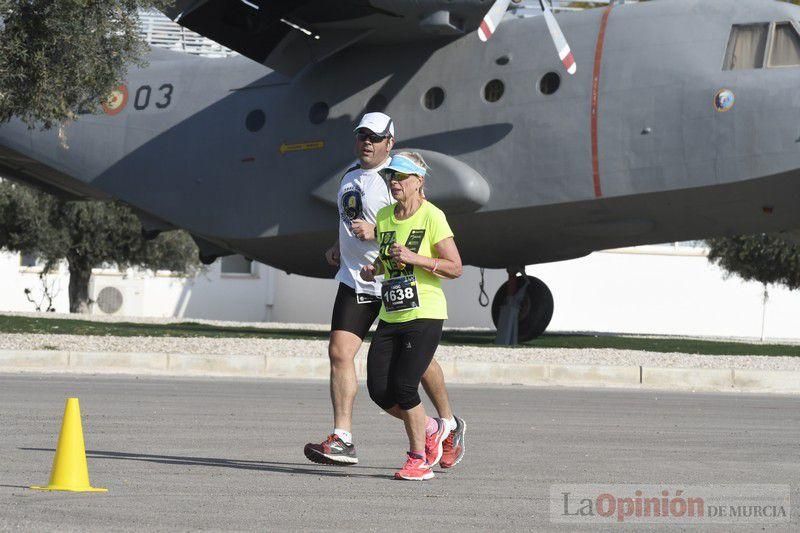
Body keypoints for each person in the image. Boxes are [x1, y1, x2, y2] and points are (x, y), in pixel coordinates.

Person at [304, 114, 466, 468]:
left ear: (390, 142)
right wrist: (338, 244)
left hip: (396, 282)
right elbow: (351, 219)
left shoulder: (398, 178)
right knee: (339, 352)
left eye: (376, 137)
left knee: (418, 364)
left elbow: (407, 224)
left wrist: (374, 234)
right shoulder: (348, 176)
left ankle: (448, 424)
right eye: (362, 135)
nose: (368, 142)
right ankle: (343, 438)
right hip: (356, 279)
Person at [360, 152, 463, 481]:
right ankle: (434, 428)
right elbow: (388, 257)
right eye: (391, 176)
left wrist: (416, 258)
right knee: (379, 390)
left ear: (419, 181)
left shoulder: (433, 216)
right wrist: (373, 269)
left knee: (405, 386)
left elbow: (455, 267)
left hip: (426, 312)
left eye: (401, 177)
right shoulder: (386, 216)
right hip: (392, 313)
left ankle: (418, 459)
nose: (394, 182)